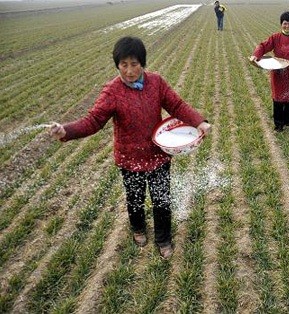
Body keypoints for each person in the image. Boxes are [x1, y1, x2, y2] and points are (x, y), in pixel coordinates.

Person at [49, 36, 211, 259]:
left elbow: (176, 105)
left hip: (157, 154)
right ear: (117, 64)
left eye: (134, 64)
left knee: (161, 200)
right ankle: (138, 229)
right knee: (135, 199)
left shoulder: (156, 83)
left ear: (142, 63)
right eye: (123, 65)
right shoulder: (112, 91)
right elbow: (93, 121)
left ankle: (163, 239)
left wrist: (198, 121)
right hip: (130, 158)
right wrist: (67, 130)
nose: (129, 70)